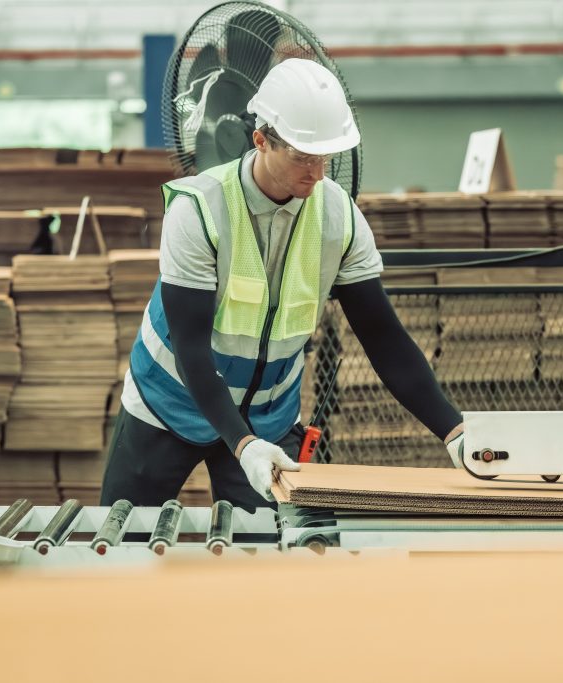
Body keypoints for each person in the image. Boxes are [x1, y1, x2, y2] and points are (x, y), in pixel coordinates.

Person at [100, 58, 467, 510]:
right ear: (261, 140)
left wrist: (455, 432)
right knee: (122, 538)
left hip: (267, 420)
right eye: (302, 157)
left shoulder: (339, 219)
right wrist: (242, 444)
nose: (317, 173)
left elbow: (383, 338)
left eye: (325, 157)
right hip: (168, 402)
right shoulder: (198, 210)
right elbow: (190, 348)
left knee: (271, 559)